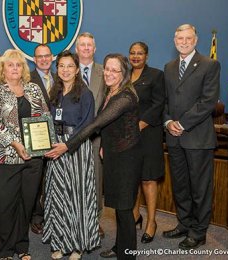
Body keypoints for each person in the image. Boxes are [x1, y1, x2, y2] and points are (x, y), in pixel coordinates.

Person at [46, 53, 142, 260]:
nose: (109, 73)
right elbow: (112, 127)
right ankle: (120, 247)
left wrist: (67, 145)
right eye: (107, 68)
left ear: (124, 73)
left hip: (127, 158)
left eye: (115, 70)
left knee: (125, 209)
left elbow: (97, 123)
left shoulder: (125, 96)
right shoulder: (112, 92)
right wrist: (104, 145)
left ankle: (128, 255)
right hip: (114, 155)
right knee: (118, 207)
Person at [0, 49, 48, 260]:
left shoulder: (34, 89)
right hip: (4, 158)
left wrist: (46, 142)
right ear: (2, 68)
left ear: (24, 68)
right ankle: (6, 250)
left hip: (33, 158)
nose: (15, 68)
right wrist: (16, 143)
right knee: (5, 205)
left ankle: (22, 247)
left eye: (18, 65)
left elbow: (44, 117)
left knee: (26, 203)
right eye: (10, 65)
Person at [162, 24, 220, 250]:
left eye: (188, 38)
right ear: (174, 40)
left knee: (199, 187)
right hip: (174, 138)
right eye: (180, 39)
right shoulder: (169, 67)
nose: (184, 42)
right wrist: (168, 122)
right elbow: (165, 99)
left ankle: (199, 231)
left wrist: (182, 124)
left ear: (196, 40)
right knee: (181, 186)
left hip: (197, 138)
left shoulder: (210, 64)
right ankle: (184, 224)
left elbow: (208, 102)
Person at [42, 50, 100, 260]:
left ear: (77, 69)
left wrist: (66, 146)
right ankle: (58, 241)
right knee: (58, 196)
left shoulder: (85, 94)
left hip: (75, 149)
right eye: (62, 66)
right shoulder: (54, 92)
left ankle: (77, 244)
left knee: (77, 196)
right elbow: (49, 120)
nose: (65, 70)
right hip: (55, 149)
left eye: (70, 66)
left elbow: (87, 126)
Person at [129, 42, 165, 244]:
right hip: (129, 137)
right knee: (132, 177)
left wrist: (141, 123)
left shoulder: (156, 75)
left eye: (139, 53)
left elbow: (159, 103)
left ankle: (151, 222)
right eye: (132, 53)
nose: (135, 56)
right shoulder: (125, 75)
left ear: (146, 56)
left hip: (149, 134)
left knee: (148, 179)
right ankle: (135, 216)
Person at [75, 32, 105, 238]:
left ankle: (95, 221)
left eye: (89, 45)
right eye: (82, 45)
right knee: (74, 180)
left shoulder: (106, 72)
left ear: (94, 49)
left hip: (97, 137)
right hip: (72, 138)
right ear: (77, 49)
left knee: (96, 180)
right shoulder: (66, 70)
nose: (86, 48)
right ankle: (75, 219)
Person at [29, 43, 55, 235]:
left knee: (53, 179)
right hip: (37, 137)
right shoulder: (27, 79)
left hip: (57, 138)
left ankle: (53, 215)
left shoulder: (60, 78)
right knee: (37, 180)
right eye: (40, 56)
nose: (44, 59)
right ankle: (36, 217)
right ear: (34, 59)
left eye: (47, 56)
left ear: (52, 57)